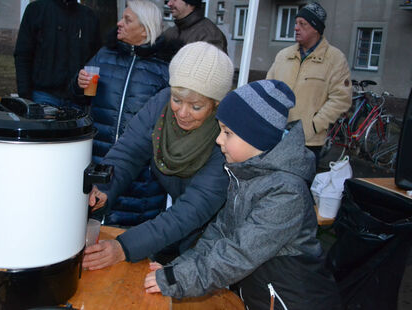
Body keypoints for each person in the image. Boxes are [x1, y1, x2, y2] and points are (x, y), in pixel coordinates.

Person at [144, 80, 341, 310]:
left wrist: (177, 279)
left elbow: (237, 254)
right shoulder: (247, 176)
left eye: (227, 133)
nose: (219, 140)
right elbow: (219, 234)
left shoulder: (286, 193)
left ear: (256, 138)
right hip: (263, 298)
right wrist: (176, 269)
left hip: (295, 302)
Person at [83, 42, 234, 270]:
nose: (182, 113)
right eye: (177, 99)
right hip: (178, 225)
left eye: (196, 107)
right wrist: (103, 188)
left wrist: (125, 247)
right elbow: (128, 153)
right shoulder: (160, 107)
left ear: (216, 105)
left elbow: (193, 208)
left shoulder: (227, 136)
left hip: (220, 236)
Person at [72, 0, 170, 226]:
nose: (119, 23)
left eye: (127, 19)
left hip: (142, 176)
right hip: (99, 160)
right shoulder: (104, 55)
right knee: (90, 231)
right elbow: (79, 97)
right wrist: (78, 84)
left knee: (130, 241)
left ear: (145, 28)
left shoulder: (165, 69)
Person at [266, 2, 351, 165]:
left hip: (308, 143)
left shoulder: (335, 59)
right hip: (276, 136)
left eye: (302, 24)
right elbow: (268, 89)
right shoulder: (283, 56)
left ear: (316, 28)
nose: (296, 28)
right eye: (296, 23)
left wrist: (312, 127)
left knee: (299, 187)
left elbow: (341, 100)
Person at [14, 0, 101, 109]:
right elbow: (23, 55)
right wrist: (25, 97)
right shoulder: (36, 10)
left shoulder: (89, 17)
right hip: (42, 97)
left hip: (78, 101)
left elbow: (95, 60)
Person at [160, 0, 227, 61]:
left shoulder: (209, 35)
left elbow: (212, 69)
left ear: (191, 5)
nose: (169, 3)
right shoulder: (170, 32)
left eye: (175, 0)